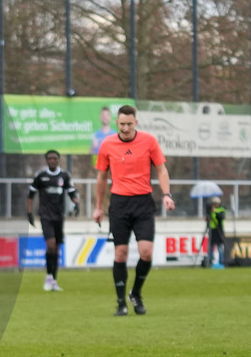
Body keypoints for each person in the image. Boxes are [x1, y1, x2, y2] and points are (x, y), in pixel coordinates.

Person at [93, 105, 174, 316]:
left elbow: (161, 169)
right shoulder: (107, 144)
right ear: (116, 124)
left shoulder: (149, 141)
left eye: (130, 124)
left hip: (143, 203)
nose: (126, 128)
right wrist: (98, 207)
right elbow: (101, 177)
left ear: (136, 122)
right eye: (122, 124)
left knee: (146, 252)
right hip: (119, 204)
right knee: (121, 253)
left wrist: (166, 194)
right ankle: (121, 302)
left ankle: (136, 293)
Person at [26, 150, 79, 292]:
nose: (52, 160)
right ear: (46, 160)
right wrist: (29, 212)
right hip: (45, 216)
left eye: (55, 158)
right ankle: (48, 277)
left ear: (58, 160)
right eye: (50, 158)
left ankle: (53, 279)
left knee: (56, 248)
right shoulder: (41, 176)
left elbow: (72, 191)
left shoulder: (65, 175)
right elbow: (31, 194)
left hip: (59, 216)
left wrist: (76, 203)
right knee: (51, 245)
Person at [206, 196, 226, 269]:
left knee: (220, 248)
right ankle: (210, 262)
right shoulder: (210, 210)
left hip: (219, 230)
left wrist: (215, 211)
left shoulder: (221, 210)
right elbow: (209, 219)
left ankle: (221, 262)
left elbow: (221, 217)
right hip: (212, 231)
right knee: (211, 247)